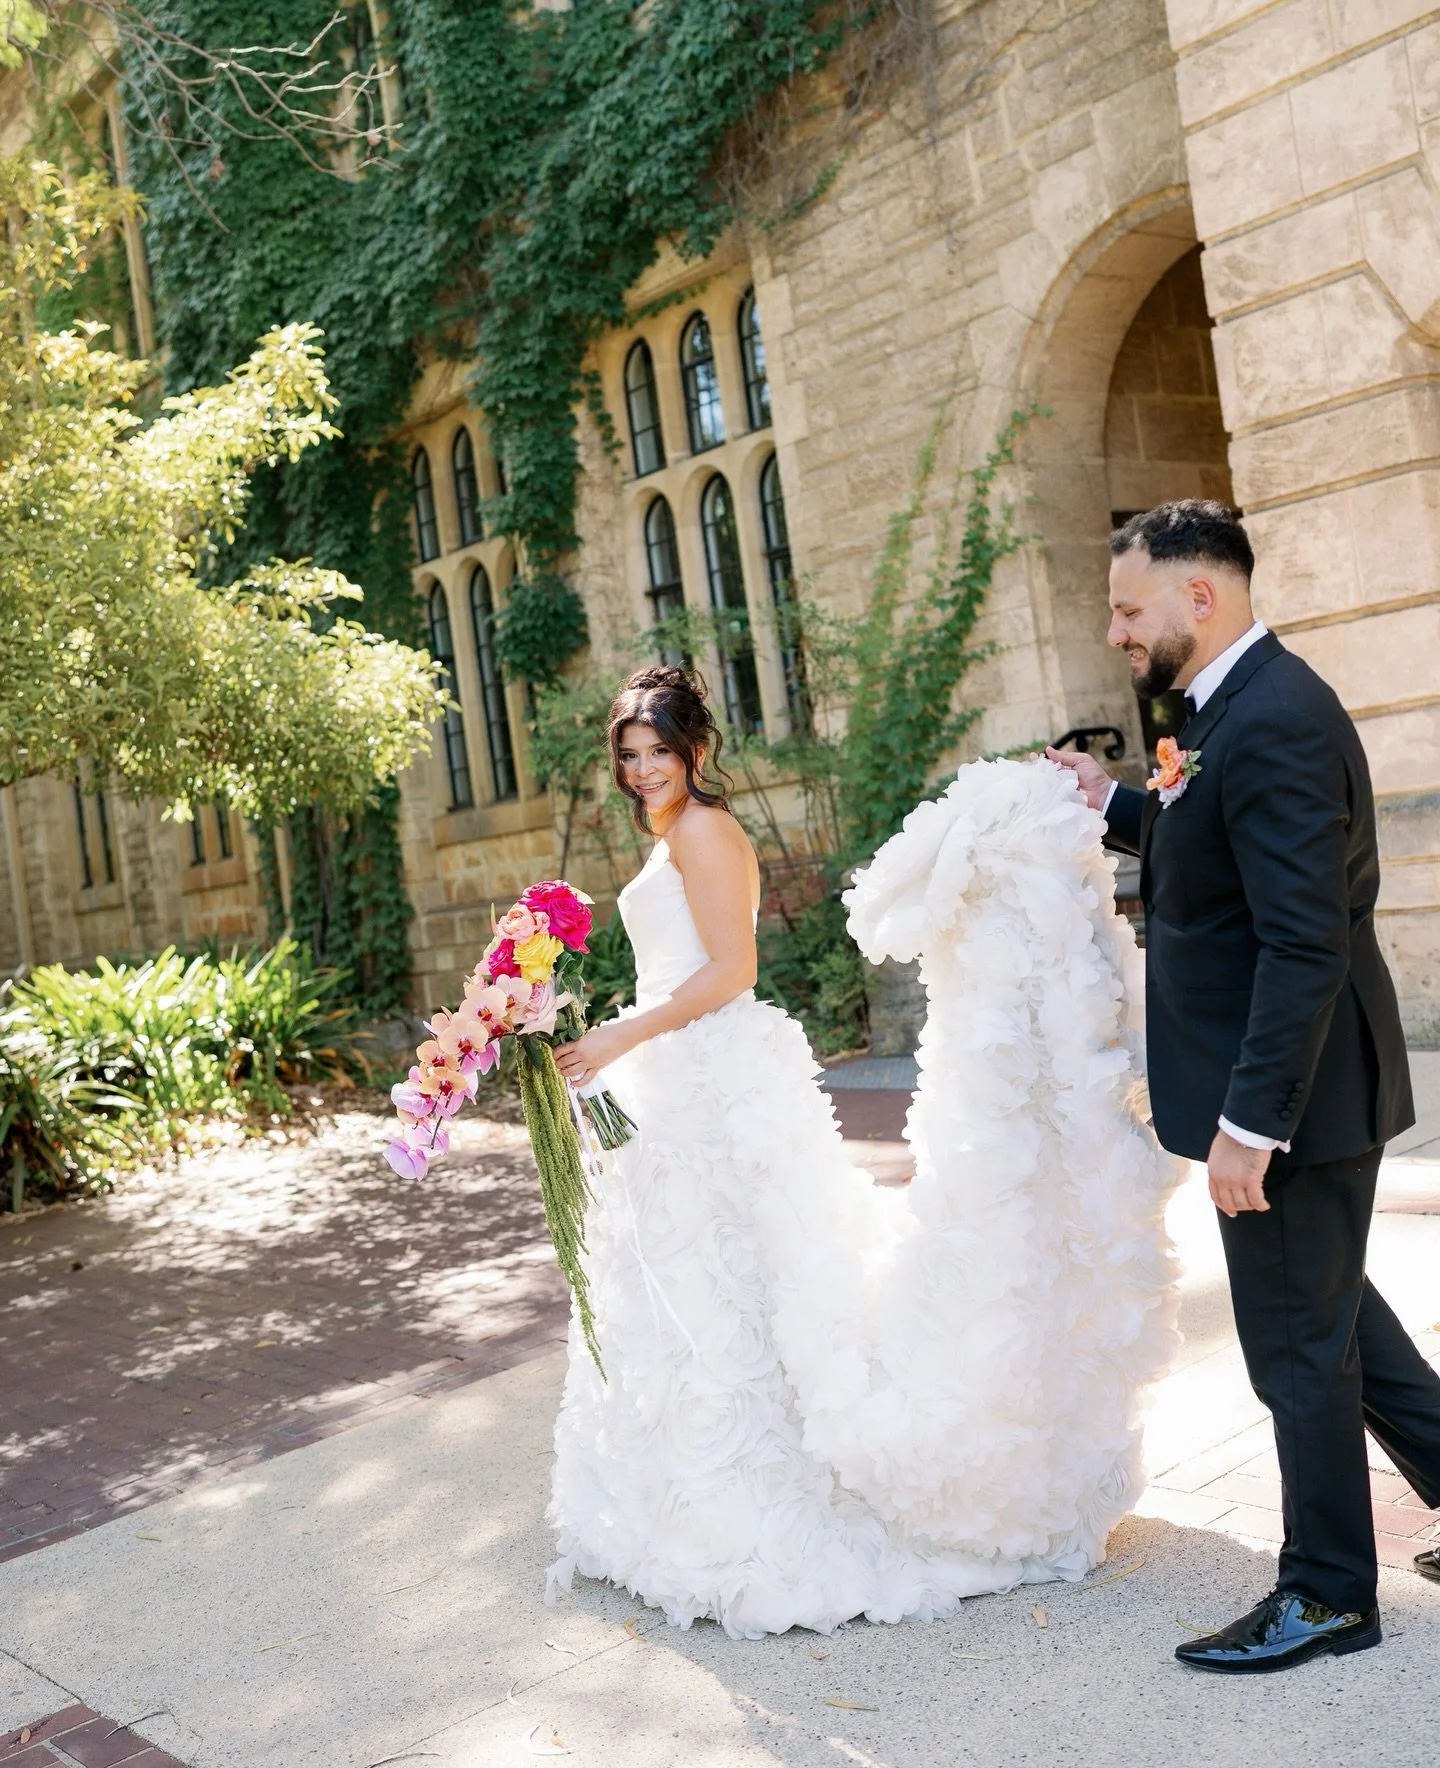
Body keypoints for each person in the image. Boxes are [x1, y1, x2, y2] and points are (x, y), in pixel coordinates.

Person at [545, 664, 1181, 1639]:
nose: (641, 771)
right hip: (672, 1076)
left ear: (695, 751)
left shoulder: (710, 831)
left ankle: (759, 1502)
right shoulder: (667, 835)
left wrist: (623, 1035)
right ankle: (672, 1497)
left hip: (709, 1071)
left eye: (657, 753)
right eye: (629, 756)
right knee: (684, 1283)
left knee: (736, 1283)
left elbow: (732, 969)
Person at [1048, 498, 1440, 1674]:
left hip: (1293, 1104)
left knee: (1295, 1353)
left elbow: (1303, 945)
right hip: (1308, 1093)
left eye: (1129, 608)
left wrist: (1245, 1129)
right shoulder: (1232, 709)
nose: (1118, 632)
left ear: (1197, 596)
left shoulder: (1270, 719)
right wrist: (1112, 803)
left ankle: (1325, 1595)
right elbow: (1214, 853)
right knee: (1329, 1318)